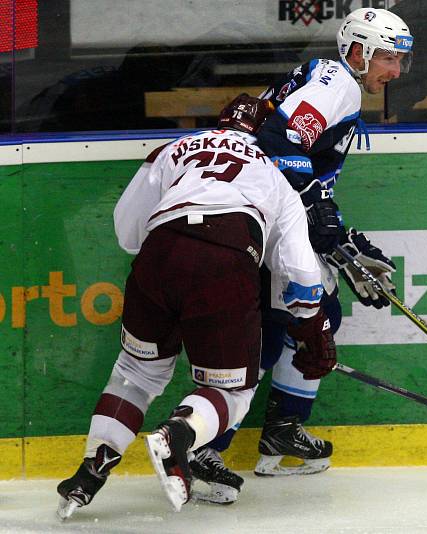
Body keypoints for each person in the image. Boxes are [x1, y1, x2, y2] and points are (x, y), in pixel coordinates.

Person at [55, 95, 336, 519]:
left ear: (219, 122)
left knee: (134, 374)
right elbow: (298, 268)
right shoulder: (273, 174)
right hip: (225, 260)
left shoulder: (173, 149)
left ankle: (90, 472)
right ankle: (179, 432)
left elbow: (127, 232)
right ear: (261, 133)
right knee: (232, 390)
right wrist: (312, 325)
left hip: (159, 254)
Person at [188, 7, 413, 504]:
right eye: (390, 59)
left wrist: (329, 223)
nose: (396, 72)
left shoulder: (329, 78)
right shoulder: (339, 82)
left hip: (262, 209)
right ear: (359, 52)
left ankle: (279, 430)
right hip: (263, 213)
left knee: (314, 316)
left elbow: (293, 153)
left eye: (402, 61)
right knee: (274, 332)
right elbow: (280, 139)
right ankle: (207, 450)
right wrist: (316, 208)